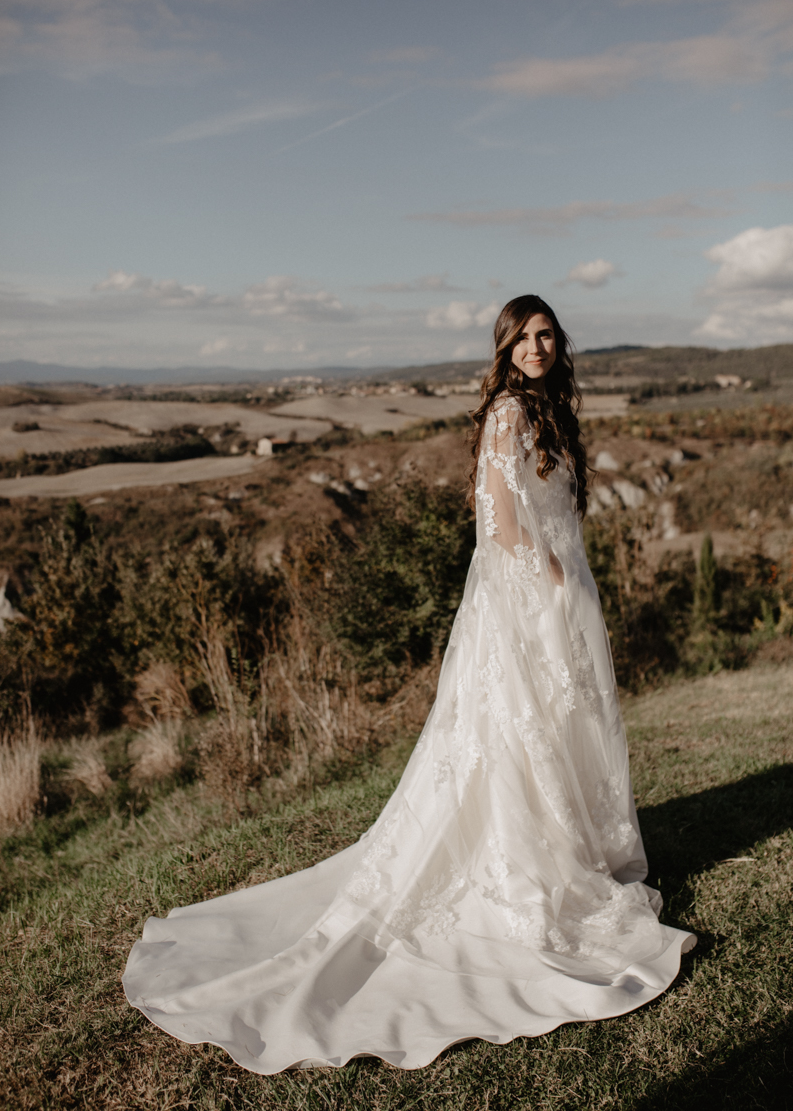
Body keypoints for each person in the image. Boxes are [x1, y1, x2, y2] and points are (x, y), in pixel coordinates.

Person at [123, 294, 695, 1073]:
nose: (536, 346)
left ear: (560, 343)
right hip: (530, 601)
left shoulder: (546, 408)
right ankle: (525, 872)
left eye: (546, 334)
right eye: (523, 337)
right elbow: (499, 519)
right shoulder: (507, 414)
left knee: (556, 733)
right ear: (506, 346)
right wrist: (554, 580)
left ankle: (571, 851)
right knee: (518, 733)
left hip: (558, 596)